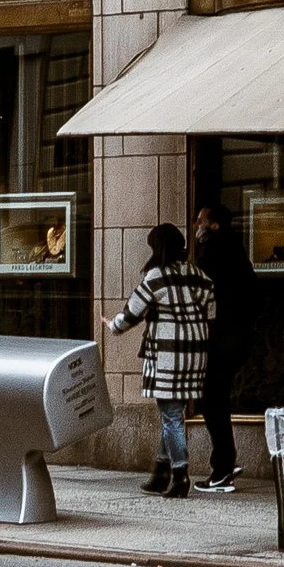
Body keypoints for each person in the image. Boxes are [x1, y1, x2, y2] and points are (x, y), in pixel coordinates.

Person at [109, 221, 215, 496]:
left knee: (171, 416)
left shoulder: (155, 276)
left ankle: (180, 475)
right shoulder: (198, 275)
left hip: (167, 353)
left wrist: (112, 325)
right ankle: (161, 471)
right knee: (173, 414)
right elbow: (212, 312)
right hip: (195, 352)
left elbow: (132, 313)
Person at [192, 196, 256, 496]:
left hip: (220, 338)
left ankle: (222, 469)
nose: (197, 227)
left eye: (201, 221)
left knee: (210, 400)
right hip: (238, 336)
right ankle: (225, 462)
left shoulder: (211, 253)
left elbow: (200, 295)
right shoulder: (236, 249)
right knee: (217, 399)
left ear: (213, 225)